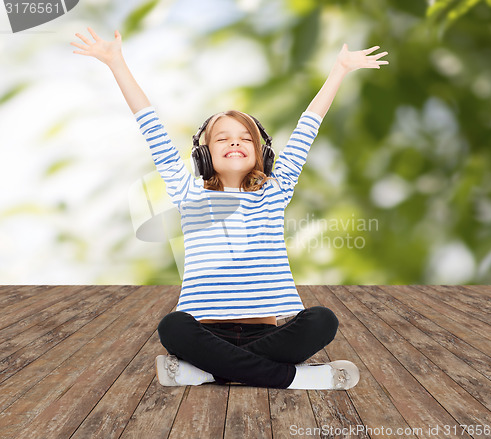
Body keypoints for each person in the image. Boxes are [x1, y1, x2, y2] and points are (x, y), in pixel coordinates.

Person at [71, 26, 388, 390]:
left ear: (262, 153)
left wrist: (339, 71)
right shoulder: (187, 191)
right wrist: (116, 63)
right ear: (204, 154)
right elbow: (151, 127)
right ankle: (294, 379)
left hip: (269, 336)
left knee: (323, 320)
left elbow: (307, 128)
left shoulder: (275, 190)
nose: (234, 143)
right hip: (207, 336)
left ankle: (208, 374)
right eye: (222, 138)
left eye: (244, 139)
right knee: (172, 326)